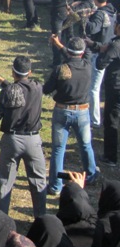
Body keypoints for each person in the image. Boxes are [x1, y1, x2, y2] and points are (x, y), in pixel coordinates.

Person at [0, 56, 47, 218]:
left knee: (5, 182)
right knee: (38, 182)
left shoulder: (8, 92)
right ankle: (41, 218)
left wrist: (1, 84)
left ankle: (0, 220)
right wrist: (1, 80)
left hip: (12, 140)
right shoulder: (37, 87)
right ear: (30, 72)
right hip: (33, 141)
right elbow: (22, 88)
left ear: (13, 72)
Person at [45, 36, 99, 194]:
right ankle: (90, 175)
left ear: (68, 51)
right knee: (86, 145)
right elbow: (82, 53)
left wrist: (59, 45)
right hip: (82, 112)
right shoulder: (88, 66)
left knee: (58, 149)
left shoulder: (61, 70)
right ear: (82, 53)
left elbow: (47, 89)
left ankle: (56, 185)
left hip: (62, 111)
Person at [99, 20, 120, 167]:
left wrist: (103, 52)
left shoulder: (115, 46)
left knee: (111, 120)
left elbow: (100, 64)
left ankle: (110, 157)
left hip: (115, 88)